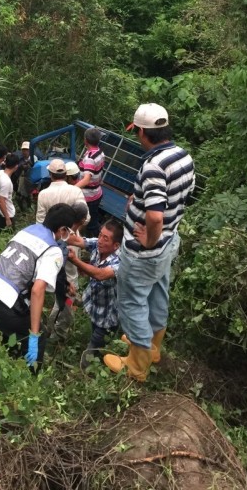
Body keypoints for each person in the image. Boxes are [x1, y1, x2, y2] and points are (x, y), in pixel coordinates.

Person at [104, 103, 195, 382]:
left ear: (143, 132)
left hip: (147, 252)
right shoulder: (182, 156)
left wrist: (148, 240)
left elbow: (155, 217)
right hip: (170, 243)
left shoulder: (153, 166)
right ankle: (153, 346)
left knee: (132, 302)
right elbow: (179, 196)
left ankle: (136, 365)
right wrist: (139, 200)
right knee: (157, 293)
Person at [0, 203, 77, 369]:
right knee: (37, 336)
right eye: (68, 231)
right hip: (3, 302)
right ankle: (29, 379)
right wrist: (34, 335)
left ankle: (3, 360)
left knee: (10, 328)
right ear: (62, 229)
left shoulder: (28, 230)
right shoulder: (53, 249)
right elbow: (38, 290)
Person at [67, 219, 123, 369]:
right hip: (94, 304)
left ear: (116, 245)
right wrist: (58, 232)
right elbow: (78, 240)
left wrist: (75, 260)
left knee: (93, 345)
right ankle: (100, 354)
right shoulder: (98, 245)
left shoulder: (121, 261)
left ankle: (84, 372)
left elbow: (100, 274)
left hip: (109, 315)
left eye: (106, 238)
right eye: (100, 235)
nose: (100, 240)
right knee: (94, 332)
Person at [46, 202, 90, 345]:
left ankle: (52, 332)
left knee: (61, 308)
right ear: (83, 220)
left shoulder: (72, 234)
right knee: (65, 312)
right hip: (67, 283)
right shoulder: (67, 237)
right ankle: (55, 337)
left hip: (68, 281)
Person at [36, 158, 89, 225]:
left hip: (50, 234)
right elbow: (86, 218)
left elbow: (40, 222)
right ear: (65, 174)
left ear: (50, 174)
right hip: (71, 233)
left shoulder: (43, 194)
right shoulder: (76, 191)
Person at [75, 127, 105, 237]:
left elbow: (86, 179)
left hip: (89, 196)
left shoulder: (90, 158)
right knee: (93, 217)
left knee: (91, 223)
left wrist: (72, 189)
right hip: (97, 192)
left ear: (86, 140)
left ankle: (98, 242)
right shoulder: (100, 152)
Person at [0, 152, 21, 230]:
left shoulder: (0, 173)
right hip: (5, 214)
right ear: (16, 166)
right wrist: (7, 218)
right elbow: (1, 200)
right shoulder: (6, 182)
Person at [16, 140, 36, 212]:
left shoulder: (34, 158)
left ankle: (30, 206)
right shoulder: (20, 160)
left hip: (32, 179)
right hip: (23, 178)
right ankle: (24, 210)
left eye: (26, 150)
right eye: (23, 150)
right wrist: (21, 166)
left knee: (30, 194)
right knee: (20, 196)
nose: (25, 152)